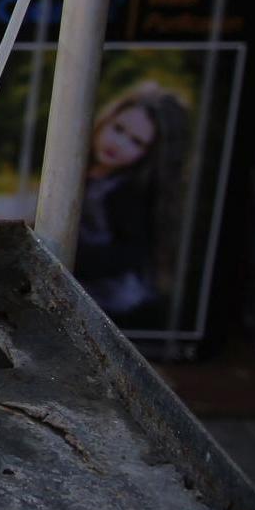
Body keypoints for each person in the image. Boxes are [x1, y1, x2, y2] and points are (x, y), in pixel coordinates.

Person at [77, 81, 193, 328]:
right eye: (118, 128)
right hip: (79, 290)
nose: (118, 143)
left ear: (149, 153)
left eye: (136, 142)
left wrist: (75, 260)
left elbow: (129, 252)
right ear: (106, 119)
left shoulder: (126, 194)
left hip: (111, 303)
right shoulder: (84, 172)